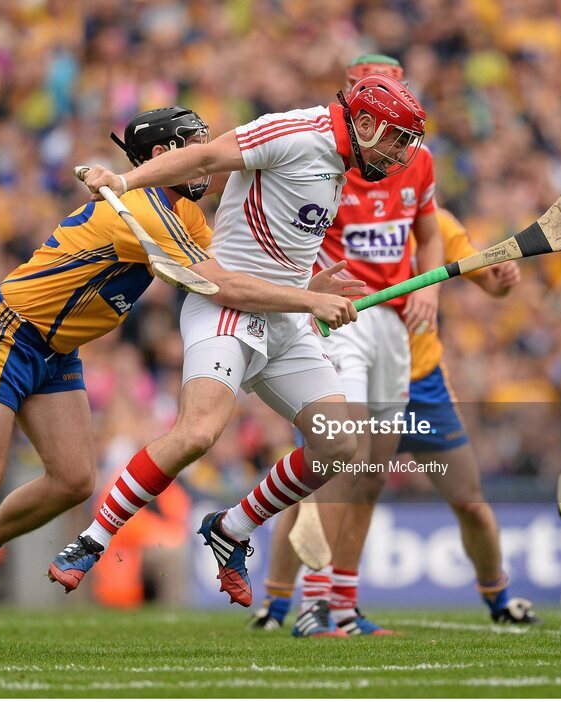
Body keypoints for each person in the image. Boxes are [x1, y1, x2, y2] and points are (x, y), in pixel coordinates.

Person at [0, 106, 360, 656]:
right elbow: (222, 286)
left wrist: (305, 285)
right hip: (5, 331)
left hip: (58, 349)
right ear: (163, 157)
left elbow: (242, 278)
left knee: (74, 481)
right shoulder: (143, 211)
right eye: (194, 144)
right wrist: (309, 300)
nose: (208, 154)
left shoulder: (187, 217)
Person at [49, 75, 428, 615]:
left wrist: (309, 291)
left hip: (283, 317)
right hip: (225, 305)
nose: (399, 155)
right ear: (364, 123)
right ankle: (92, 539)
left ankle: (231, 528)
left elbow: (282, 248)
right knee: (198, 432)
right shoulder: (297, 132)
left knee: (339, 444)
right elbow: (204, 158)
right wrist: (126, 180)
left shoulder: (340, 165)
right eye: (395, 139)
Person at [253, 207, 541, 635]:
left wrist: (500, 283)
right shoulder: (339, 212)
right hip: (344, 369)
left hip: (421, 379)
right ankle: (277, 606)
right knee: (319, 489)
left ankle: (497, 597)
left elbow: (485, 278)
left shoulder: (434, 224)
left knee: (469, 501)